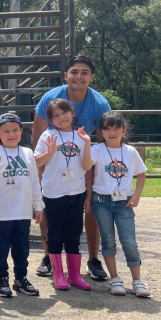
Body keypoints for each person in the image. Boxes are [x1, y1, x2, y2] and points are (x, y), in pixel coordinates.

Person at [31, 55, 111, 281]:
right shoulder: (50, 97)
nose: (79, 76)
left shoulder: (100, 103)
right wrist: (40, 167)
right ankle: (49, 256)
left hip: (84, 155)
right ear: (66, 75)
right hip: (53, 157)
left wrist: (95, 172)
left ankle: (93, 259)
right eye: (74, 72)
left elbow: (103, 139)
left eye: (85, 73)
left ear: (92, 77)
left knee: (92, 204)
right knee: (48, 207)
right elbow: (37, 133)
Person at [0, 113, 44, 297]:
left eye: (15, 130)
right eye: (6, 131)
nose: (11, 134)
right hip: (3, 212)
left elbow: (34, 182)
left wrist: (38, 206)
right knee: (2, 249)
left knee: (22, 248)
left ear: (21, 131)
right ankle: (1, 278)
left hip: (23, 211)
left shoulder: (28, 153)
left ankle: (21, 278)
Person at [34, 99, 94, 290]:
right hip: (53, 194)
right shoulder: (48, 136)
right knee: (55, 235)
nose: (61, 118)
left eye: (64, 113)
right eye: (56, 115)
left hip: (76, 192)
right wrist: (50, 152)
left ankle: (74, 275)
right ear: (51, 119)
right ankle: (58, 275)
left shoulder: (81, 137)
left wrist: (87, 143)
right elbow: (36, 162)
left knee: (74, 235)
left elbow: (87, 166)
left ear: (72, 113)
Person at [90, 112, 150, 297]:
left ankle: (137, 280)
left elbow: (141, 174)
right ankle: (115, 278)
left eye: (116, 128)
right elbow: (85, 166)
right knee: (108, 240)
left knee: (129, 241)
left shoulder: (130, 151)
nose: (112, 132)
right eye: (107, 129)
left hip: (124, 201)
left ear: (124, 130)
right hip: (101, 201)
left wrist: (137, 195)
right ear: (101, 131)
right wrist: (84, 142)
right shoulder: (97, 150)